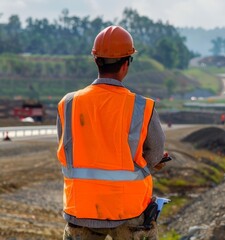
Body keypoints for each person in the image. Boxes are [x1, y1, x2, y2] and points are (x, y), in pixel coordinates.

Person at [57, 26, 166, 239]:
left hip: (81, 207)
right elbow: (154, 155)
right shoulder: (141, 107)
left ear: (96, 60)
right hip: (128, 209)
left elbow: (68, 149)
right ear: (126, 64)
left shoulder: (68, 104)